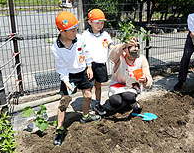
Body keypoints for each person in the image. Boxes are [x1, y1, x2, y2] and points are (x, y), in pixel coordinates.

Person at [51, 11, 101, 146]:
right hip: (69, 76)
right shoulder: (56, 47)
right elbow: (61, 67)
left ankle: (85, 116)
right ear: (62, 31)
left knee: (88, 95)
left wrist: (89, 67)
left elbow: (87, 52)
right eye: (72, 30)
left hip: (82, 72)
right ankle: (60, 128)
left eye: (76, 29)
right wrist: (66, 81)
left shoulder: (79, 39)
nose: (75, 32)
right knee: (64, 102)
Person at [81, 9, 115, 116]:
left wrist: (116, 49)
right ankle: (89, 105)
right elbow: (83, 51)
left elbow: (111, 45)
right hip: (89, 65)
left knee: (98, 86)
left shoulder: (104, 34)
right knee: (89, 86)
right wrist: (88, 67)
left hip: (100, 64)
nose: (100, 25)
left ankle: (97, 103)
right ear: (90, 22)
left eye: (102, 23)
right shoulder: (85, 35)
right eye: (97, 23)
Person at [108, 37, 153, 112]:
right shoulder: (120, 57)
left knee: (128, 96)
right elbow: (112, 56)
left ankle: (132, 102)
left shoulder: (141, 59)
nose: (135, 49)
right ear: (125, 49)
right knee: (115, 102)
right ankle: (123, 102)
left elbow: (148, 79)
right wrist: (122, 46)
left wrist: (145, 80)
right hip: (117, 85)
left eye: (136, 46)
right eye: (131, 47)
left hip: (132, 86)